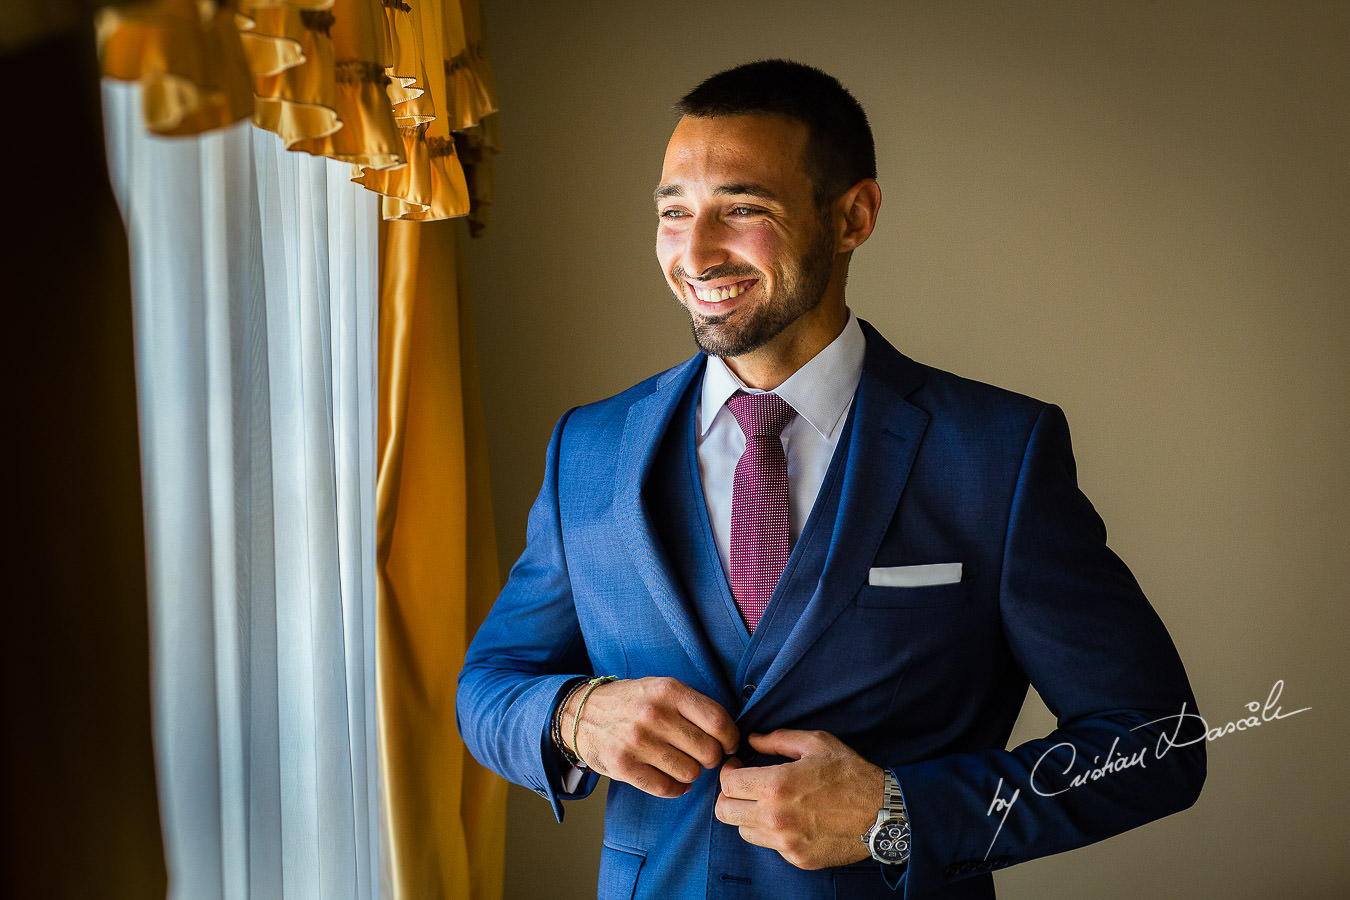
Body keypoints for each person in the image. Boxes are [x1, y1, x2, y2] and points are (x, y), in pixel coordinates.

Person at [457, 59, 1204, 899]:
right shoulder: (586, 449)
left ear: (853, 216)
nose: (694, 252)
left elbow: (1158, 742)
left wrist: (902, 811)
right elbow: (488, 685)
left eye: (741, 209)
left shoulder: (999, 452)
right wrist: (572, 716)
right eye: (673, 213)